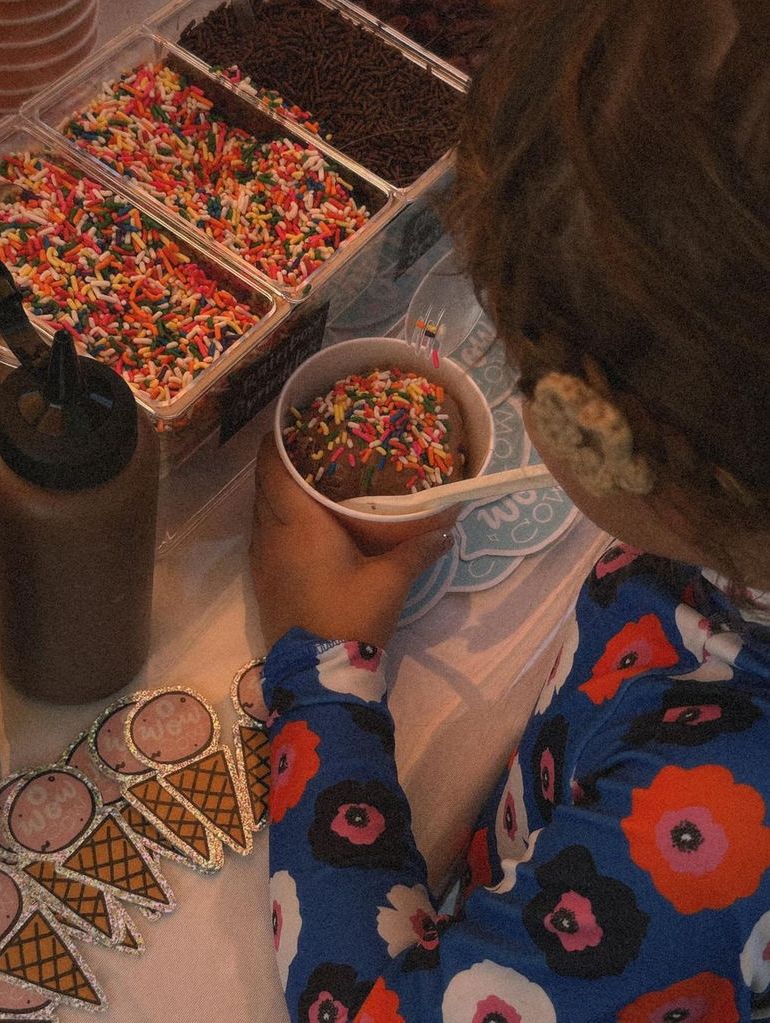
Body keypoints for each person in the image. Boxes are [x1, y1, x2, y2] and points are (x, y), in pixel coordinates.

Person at [248, 1, 770, 1019]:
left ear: (600, 431)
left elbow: (377, 1008)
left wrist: (322, 682)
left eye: (517, 354)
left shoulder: (715, 848)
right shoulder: (725, 504)